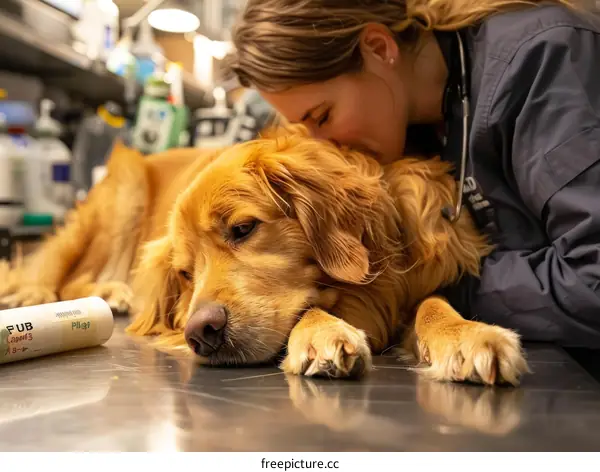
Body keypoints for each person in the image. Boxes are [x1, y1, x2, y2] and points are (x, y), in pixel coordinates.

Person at [225, 0, 600, 349]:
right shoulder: (402, 130)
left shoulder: (541, 59)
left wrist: (443, 289)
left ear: (379, 48)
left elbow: (592, 278)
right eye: (305, 130)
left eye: (323, 116)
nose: (325, 145)